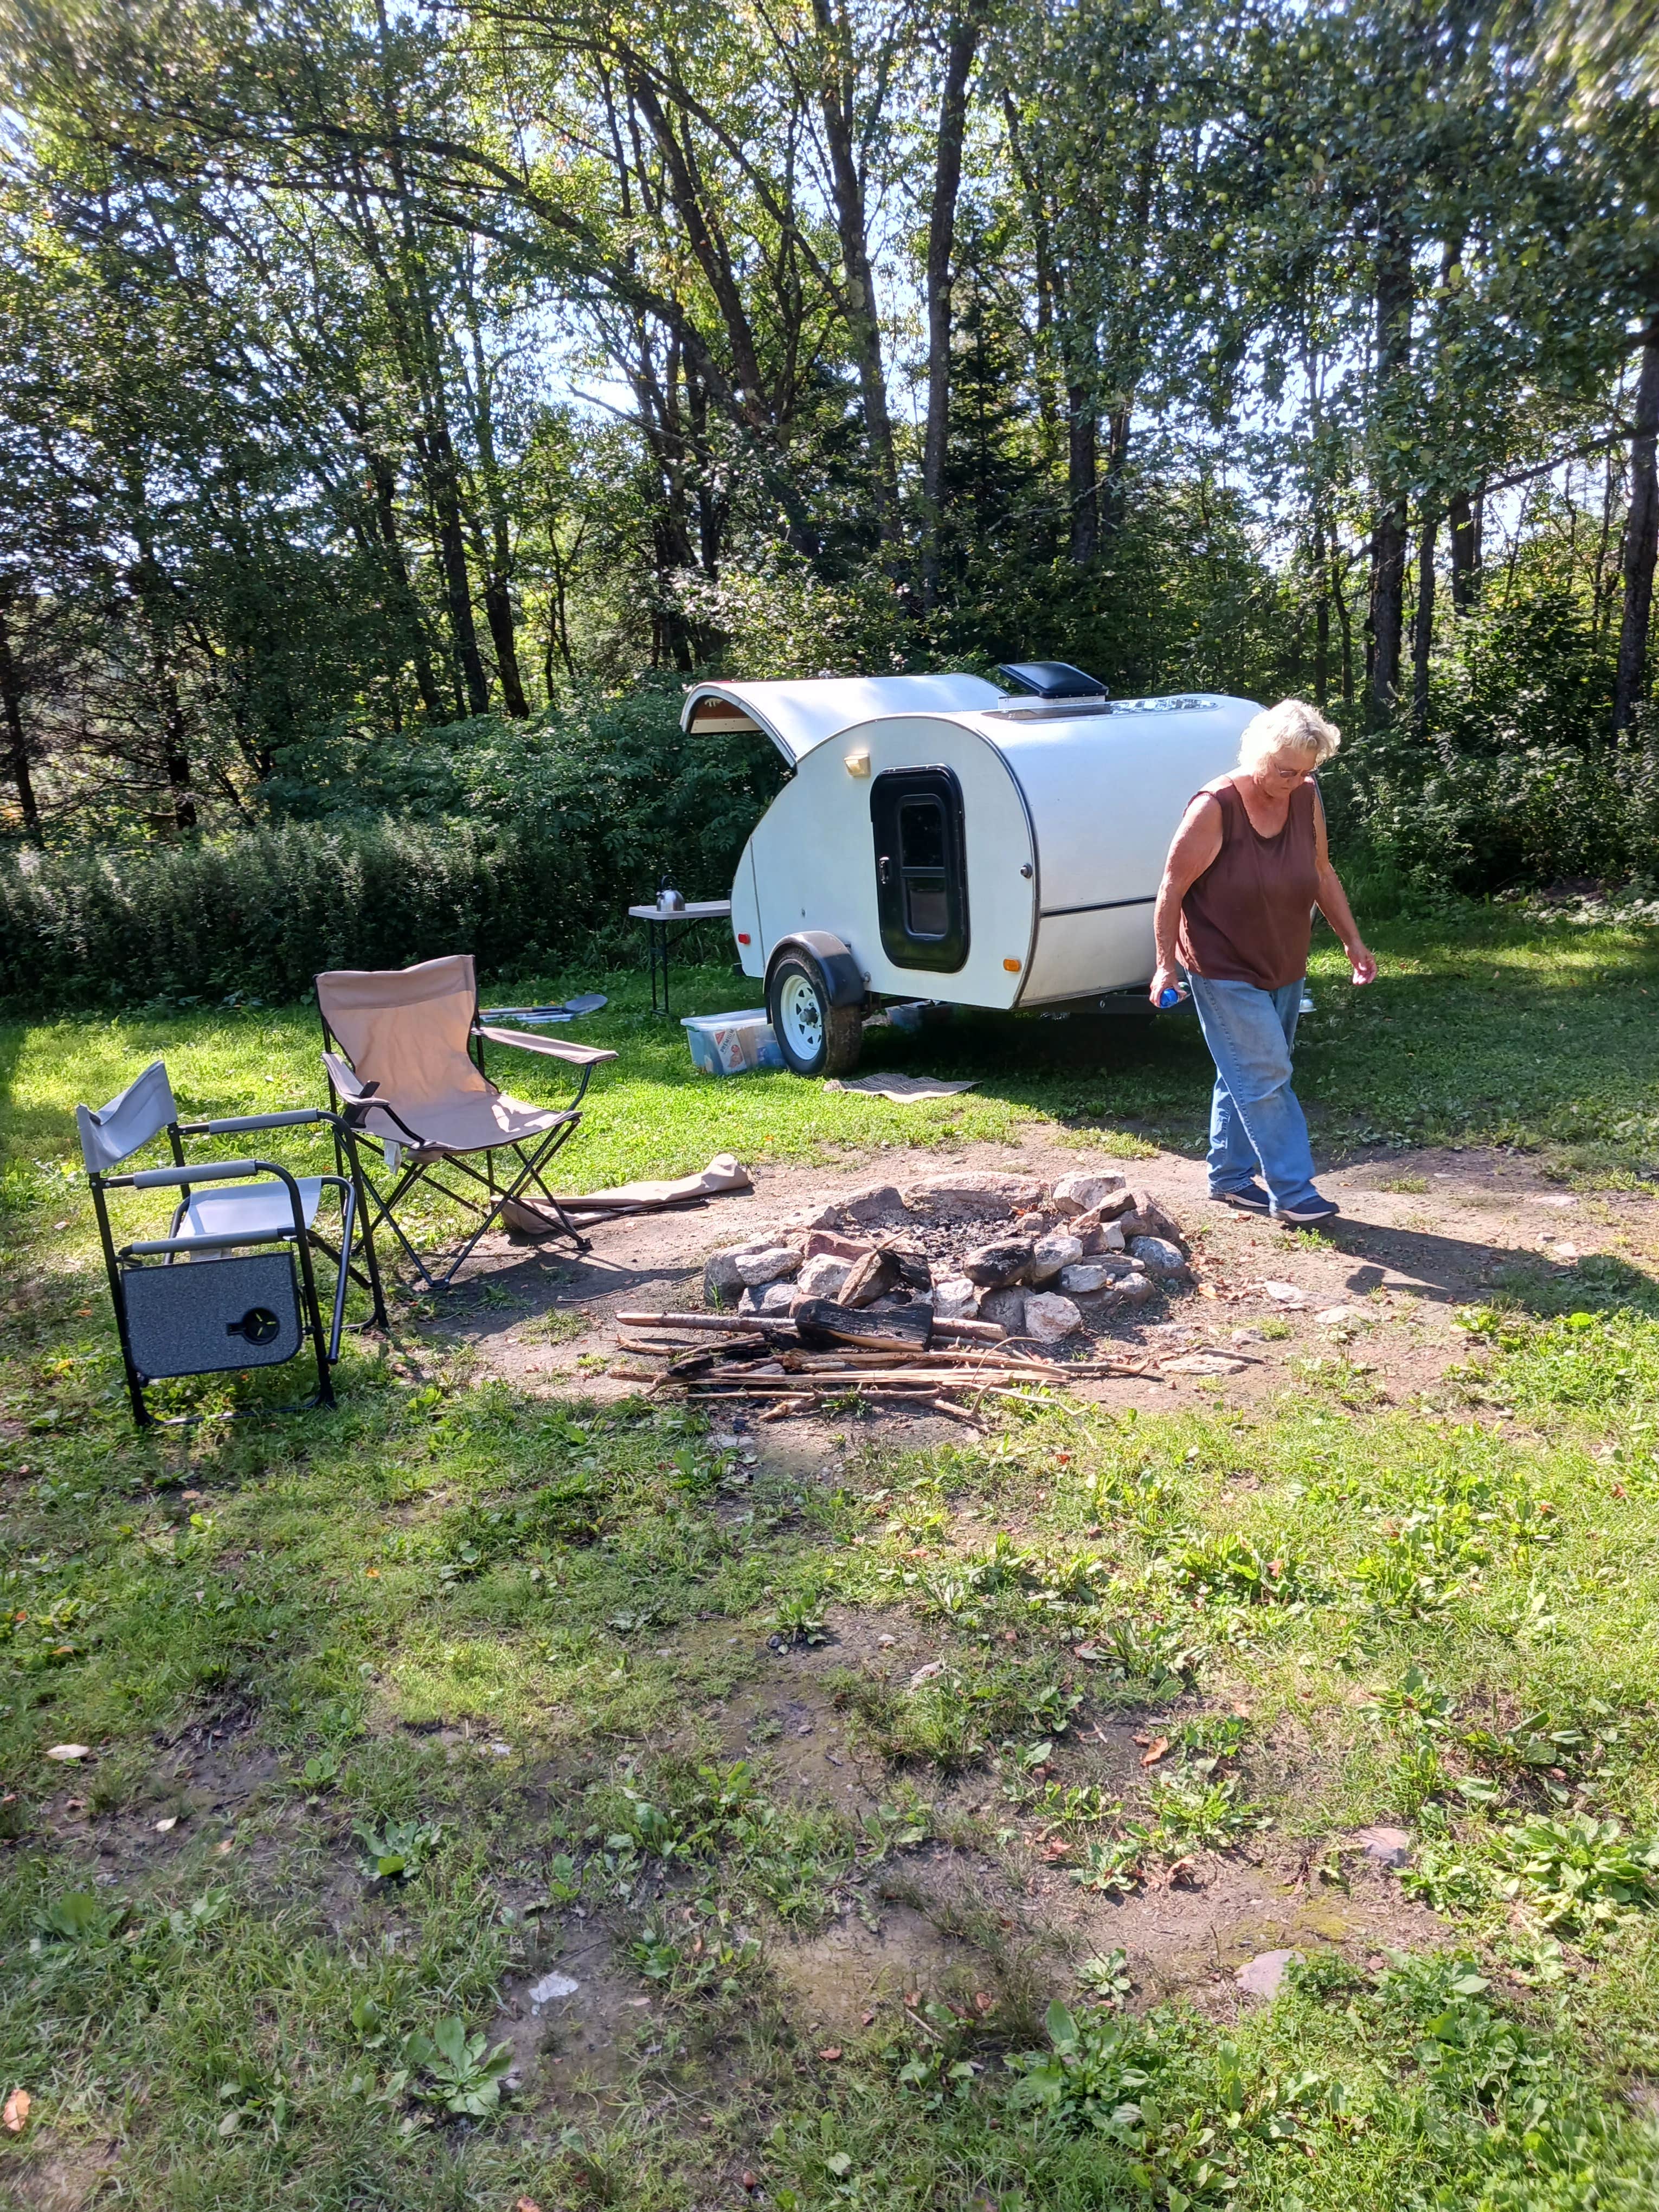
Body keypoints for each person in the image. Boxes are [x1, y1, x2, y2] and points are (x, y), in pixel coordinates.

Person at [1149, 698, 1376, 1225]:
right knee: (1267, 1073)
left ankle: (1229, 1179)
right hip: (1221, 962)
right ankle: (1294, 1193)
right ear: (1257, 755)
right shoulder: (1215, 806)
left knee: (1246, 1073)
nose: (1293, 782)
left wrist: (1353, 941)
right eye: (1283, 771)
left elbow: (1321, 872)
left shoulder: (1306, 796)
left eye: (1304, 773)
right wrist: (1165, 965)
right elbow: (1171, 888)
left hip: (1284, 958)